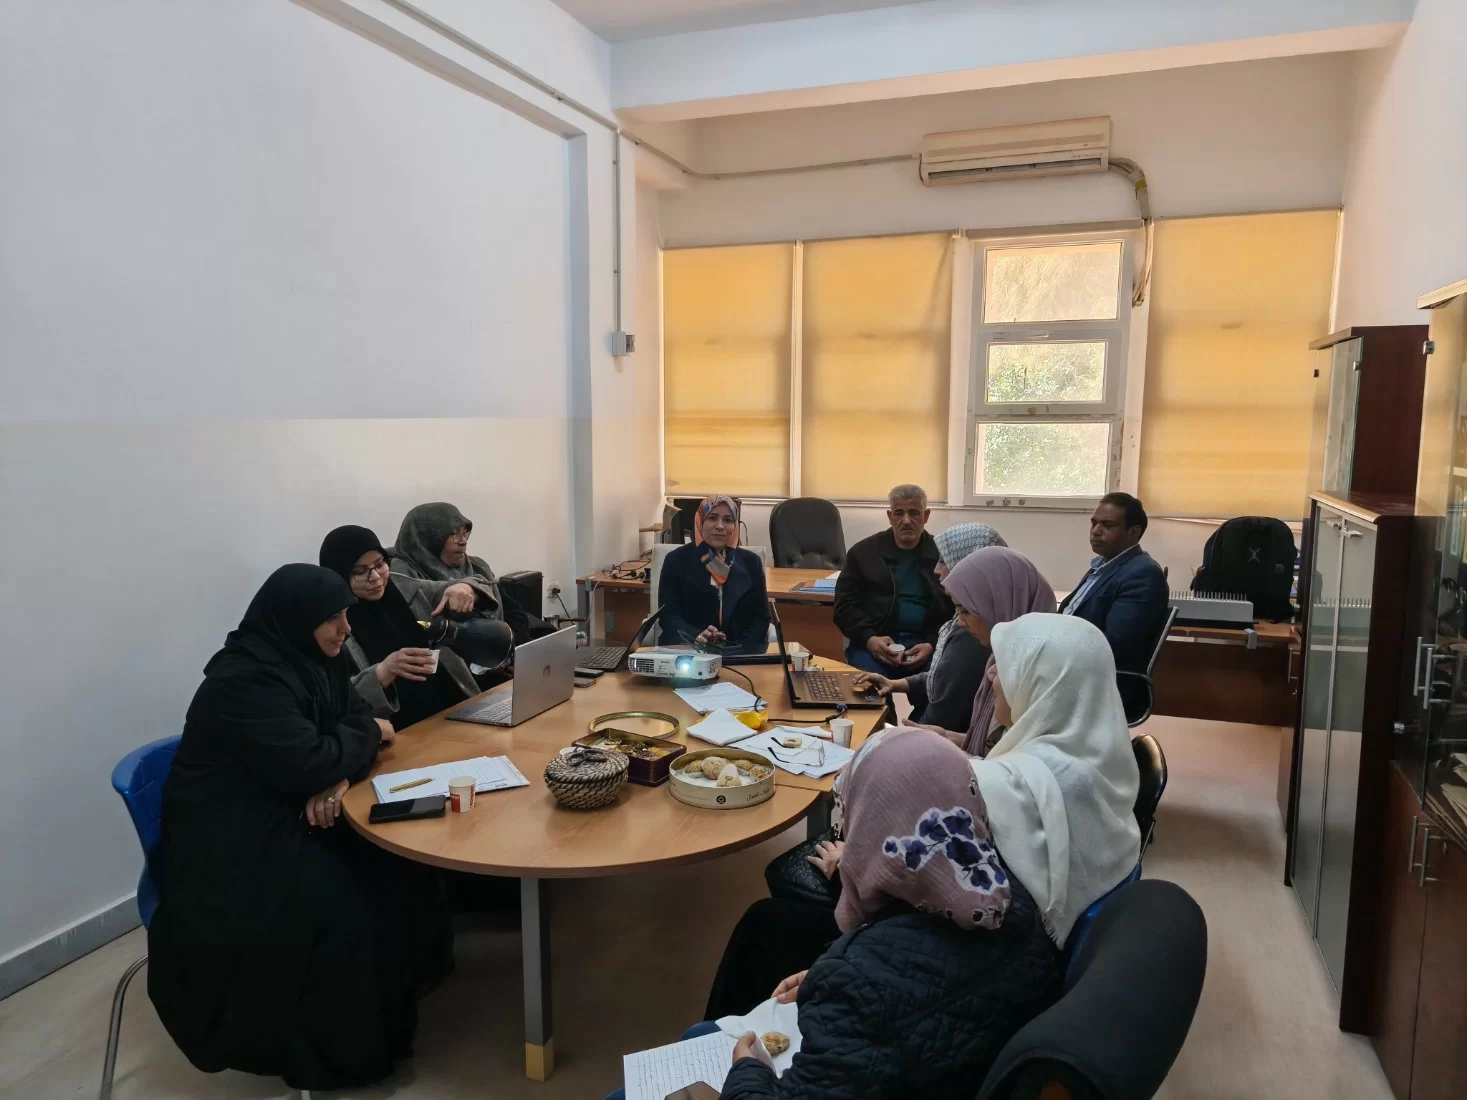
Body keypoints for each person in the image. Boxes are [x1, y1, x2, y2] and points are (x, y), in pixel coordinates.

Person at [148, 565, 444, 1091]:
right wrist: (342, 755)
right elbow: (322, 754)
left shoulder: (314, 659)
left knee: (400, 857)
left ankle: (394, 1007)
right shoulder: (243, 681)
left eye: (346, 615)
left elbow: (356, 723)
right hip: (229, 843)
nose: (346, 628)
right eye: (333, 618)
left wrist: (338, 773)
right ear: (295, 619)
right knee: (339, 901)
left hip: (290, 808)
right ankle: (339, 1055)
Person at [718, 729, 1064, 1099]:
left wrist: (746, 1072)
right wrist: (831, 985)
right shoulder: (1023, 903)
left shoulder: (857, 982)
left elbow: (887, 999)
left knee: (705, 1037)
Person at [971, 612, 1142, 949]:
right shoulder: (1101, 757)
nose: (991, 675)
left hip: (1028, 950)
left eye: (1005, 666)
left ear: (1042, 682)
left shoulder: (1015, 784)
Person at [319, 524, 495, 729]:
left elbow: (472, 585)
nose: (375, 577)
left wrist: (464, 588)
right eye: (360, 571)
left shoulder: (401, 587)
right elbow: (333, 700)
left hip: (452, 708)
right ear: (339, 575)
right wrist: (383, 672)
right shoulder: (330, 625)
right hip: (397, 731)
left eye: (380, 565)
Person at [901, 547, 1057, 757]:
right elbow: (1000, 745)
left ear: (998, 604)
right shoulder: (1003, 656)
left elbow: (1019, 763)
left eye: (965, 611)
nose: (961, 622)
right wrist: (949, 737)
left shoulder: (1036, 674)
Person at [851, 523, 1005, 728]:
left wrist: (899, 736)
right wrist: (895, 684)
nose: (936, 570)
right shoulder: (977, 613)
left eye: (943, 560)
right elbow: (945, 677)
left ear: (967, 565)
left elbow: (942, 716)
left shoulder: (972, 630)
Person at [1058, 492, 1170, 716]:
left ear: (1134, 532)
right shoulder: (1103, 566)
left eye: (1107, 525)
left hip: (1100, 684)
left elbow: (1113, 646)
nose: (1095, 531)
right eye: (1094, 523)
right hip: (1075, 670)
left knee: (1007, 684)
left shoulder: (1142, 574)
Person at [834, 484, 953, 675]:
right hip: (873, 644)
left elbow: (955, 611)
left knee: (937, 687)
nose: (906, 521)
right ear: (890, 517)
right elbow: (844, 607)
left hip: (928, 645)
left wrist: (932, 643)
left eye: (914, 513)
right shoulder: (863, 553)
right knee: (869, 689)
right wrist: (870, 639)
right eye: (899, 513)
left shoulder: (943, 556)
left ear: (926, 515)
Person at [390, 502, 545, 644]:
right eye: (453, 534)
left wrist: (504, 648)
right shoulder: (400, 574)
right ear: (426, 539)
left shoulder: (477, 567)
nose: (463, 541)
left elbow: (515, 613)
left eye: (464, 533)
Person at [658, 495, 770, 651]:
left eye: (728, 520)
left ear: (735, 526)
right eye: (712, 518)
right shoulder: (676, 560)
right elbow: (668, 616)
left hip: (740, 651)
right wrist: (697, 636)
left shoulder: (752, 562)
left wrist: (740, 650)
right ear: (700, 521)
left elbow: (761, 618)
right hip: (690, 649)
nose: (720, 526)